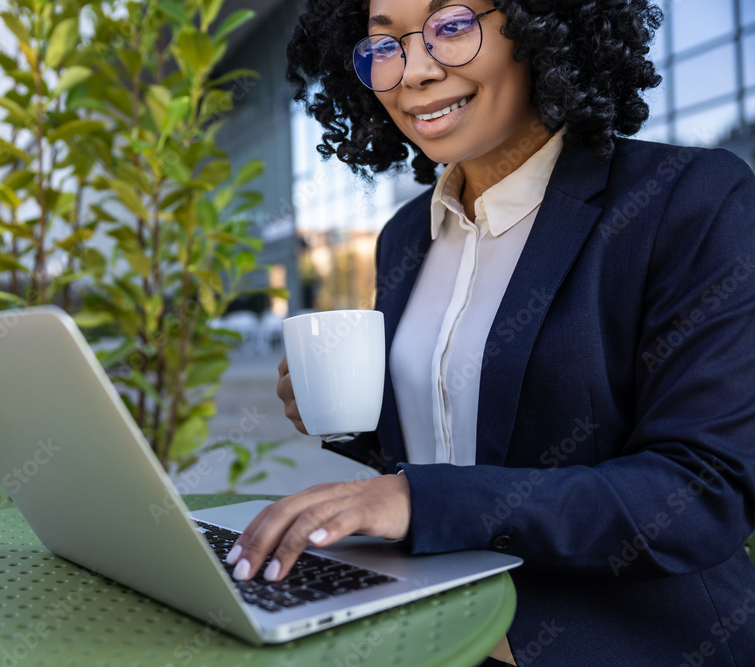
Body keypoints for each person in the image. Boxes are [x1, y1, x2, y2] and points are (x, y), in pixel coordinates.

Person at [222, 0, 755, 665]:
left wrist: (415, 500)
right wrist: (349, 417)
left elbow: (701, 492)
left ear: (541, 28)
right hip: (433, 626)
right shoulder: (406, 238)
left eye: (450, 26)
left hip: (622, 643)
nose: (412, 71)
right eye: (384, 45)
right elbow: (445, 444)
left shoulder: (689, 200)